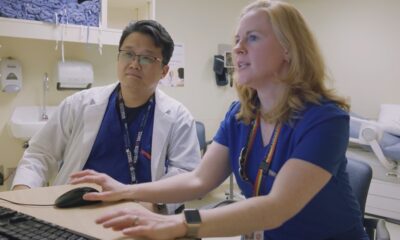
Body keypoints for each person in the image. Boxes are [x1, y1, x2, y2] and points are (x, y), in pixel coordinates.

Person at [70, 1, 369, 239]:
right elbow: (200, 180)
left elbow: (277, 208)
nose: (237, 48)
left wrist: (180, 224)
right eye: (237, 39)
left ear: (289, 50)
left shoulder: (326, 119)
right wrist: (126, 190)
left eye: (252, 38)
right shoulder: (241, 114)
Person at [11, 20, 201, 214]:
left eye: (146, 58)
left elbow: (185, 173)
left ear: (164, 71)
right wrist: (21, 194)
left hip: (139, 216)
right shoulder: (78, 104)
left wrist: (155, 205)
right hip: (75, 211)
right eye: (128, 54)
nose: (134, 64)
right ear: (118, 58)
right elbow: (40, 154)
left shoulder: (179, 118)